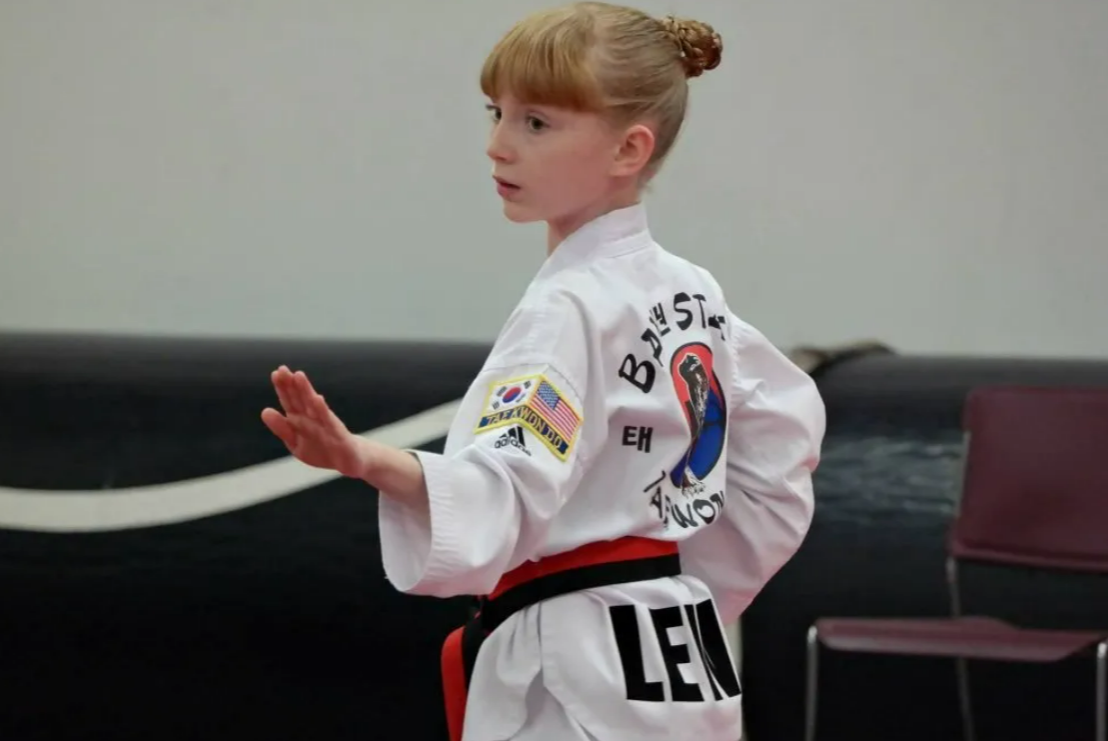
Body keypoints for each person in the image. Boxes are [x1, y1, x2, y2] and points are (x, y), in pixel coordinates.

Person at [261, 3, 826, 739]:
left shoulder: (569, 306)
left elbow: (509, 484)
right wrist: (695, 586)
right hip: (678, 653)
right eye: (496, 112)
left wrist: (366, 459)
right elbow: (783, 445)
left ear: (629, 149)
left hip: (575, 662)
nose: (498, 145)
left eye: (536, 123)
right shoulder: (691, 292)